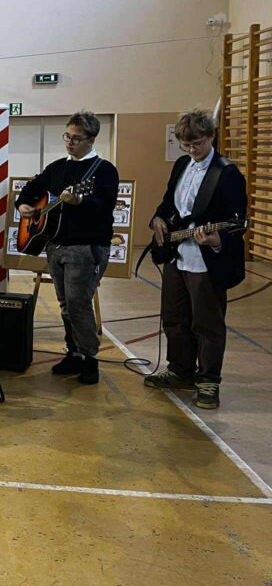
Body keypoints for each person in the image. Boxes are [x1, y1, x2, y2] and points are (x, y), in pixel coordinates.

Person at [144, 109, 247, 409]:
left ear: (212, 136)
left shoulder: (227, 173)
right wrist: (158, 219)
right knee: (174, 318)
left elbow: (237, 223)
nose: (191, 150)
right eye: (186, 145)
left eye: (197, 144)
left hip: (205, 261)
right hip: (176, 256)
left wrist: (218, 240)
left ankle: (209, 380)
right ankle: (180, 370)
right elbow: (168, 203)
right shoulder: (181, 164)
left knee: (207, 323)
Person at [16, 110, 119, 385]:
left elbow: (104, 205)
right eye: (67, 136)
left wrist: (80, 202)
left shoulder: (104, 170)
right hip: (55, 245)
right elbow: (32, 187)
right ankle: (73, 352)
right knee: (64, 304)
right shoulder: (57, 167)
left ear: (92, 139)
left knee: (78, 304)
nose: (69, 143)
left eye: (76, 138)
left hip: (85, 247)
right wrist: (23, 204)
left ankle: (90, 358)